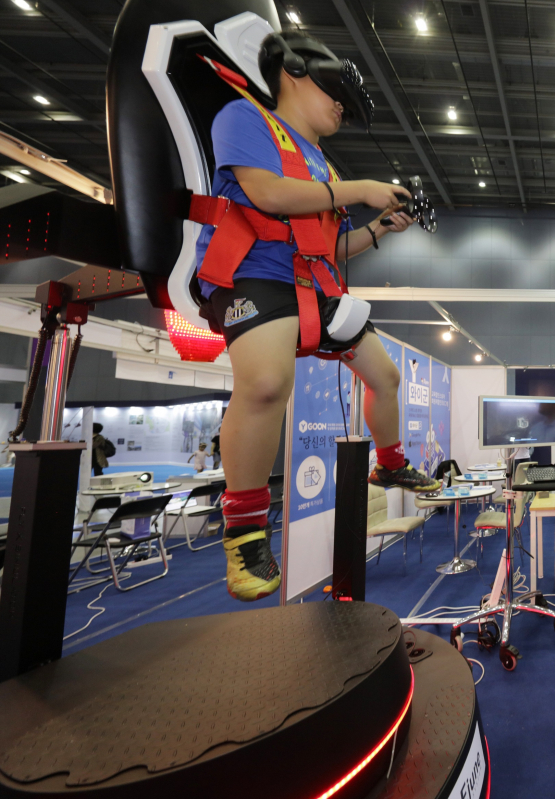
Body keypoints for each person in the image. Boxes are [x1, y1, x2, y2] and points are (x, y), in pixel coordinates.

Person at [197, 32, 440, 602]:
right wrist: (359, 189)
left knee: (385, 377)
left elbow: (328, 246)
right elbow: (268, 196)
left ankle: (391, 463)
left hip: (315, 282)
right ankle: (246, 531)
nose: (340, 108)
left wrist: (377, 230)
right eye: (335, 95)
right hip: (255, 274)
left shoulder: (318, 160)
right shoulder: (244, 117)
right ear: (294, 71)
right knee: (265, 384)